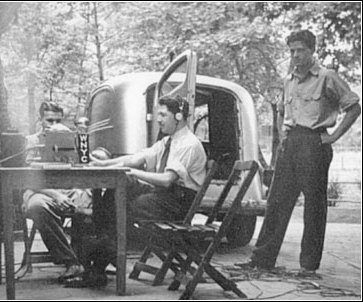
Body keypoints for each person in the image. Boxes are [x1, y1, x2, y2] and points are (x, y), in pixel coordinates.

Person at [236, 30, 361, 275]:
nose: (295, 55)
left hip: (315, 144)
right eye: (291, 51)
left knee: (314, 207)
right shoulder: (289, 80)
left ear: (312, 50)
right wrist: (283, 136)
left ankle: (308, 267)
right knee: (276, 202)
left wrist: (334, 136)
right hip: (290, 144)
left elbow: (354, 107)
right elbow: (283, 111)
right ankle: (262, 260)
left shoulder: (327, 77)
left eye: (300, 50)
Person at [63, 95, 207, 288]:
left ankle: (98, 261)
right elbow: (136, 158)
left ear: (178, 116)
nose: (158, 119)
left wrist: (131, 171)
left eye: (163, 115)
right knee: (120, 191)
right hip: (165, 195)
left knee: (118, 208)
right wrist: (102, 163)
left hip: (178, 202)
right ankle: (102, 250)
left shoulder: (188, 144)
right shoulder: (168, 141)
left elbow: (166, 180)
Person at [22, 101, 92, 282]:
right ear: (40, 120)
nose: (53, 125)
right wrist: (56, 194)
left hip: (68, 189)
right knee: (37, 207)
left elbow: (82, 168)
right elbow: (27, 177)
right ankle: (71, 262)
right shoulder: (33, 141)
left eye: (57, 121)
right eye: (49, 121)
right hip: (41, 191)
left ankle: (91, 260)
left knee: (90, 201)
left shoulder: (69, 137)